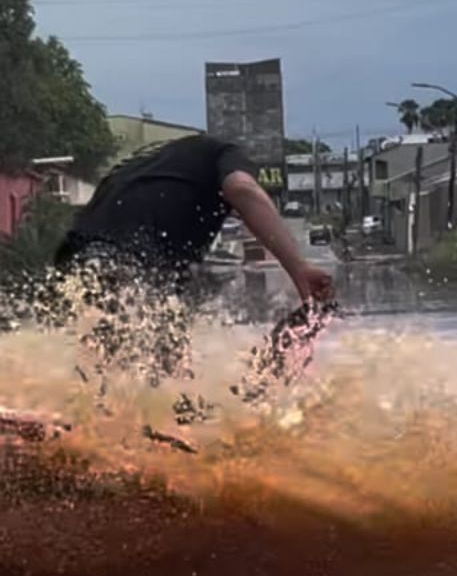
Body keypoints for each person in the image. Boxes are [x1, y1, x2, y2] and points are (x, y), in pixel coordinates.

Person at [53, 134, 334, 390]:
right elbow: (242, 188)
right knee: (158, 365)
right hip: (129, 263)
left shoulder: (139, 170)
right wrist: (299, 269)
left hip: (77, 259)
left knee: (108, 355)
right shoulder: (225, 151)